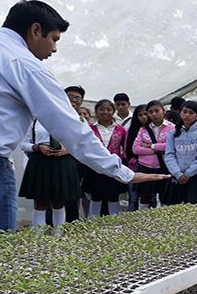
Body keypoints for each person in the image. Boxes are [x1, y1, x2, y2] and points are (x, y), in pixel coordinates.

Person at [0, 0, 166, 244]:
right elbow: (72, 129)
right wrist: (122, 172)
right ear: (35, 30)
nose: (53, 49)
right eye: (54, 39)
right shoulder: (23, 63)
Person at [19, 118, 81, 229]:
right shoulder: (34, 121)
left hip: (62, 161)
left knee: (59, 201)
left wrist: (68, 149)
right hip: (40, 162)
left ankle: (58, 235)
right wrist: (37, 147)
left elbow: (79, 141)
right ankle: (38, 238)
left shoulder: (70, 118)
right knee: (40, 202)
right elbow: (23, 144)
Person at [82, 99, 128, 217]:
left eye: (109, 109)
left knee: (113, 197)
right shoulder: (90, 129)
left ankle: (114, 224)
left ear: (113, 111)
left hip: (113, 168)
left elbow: (125, 149)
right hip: (95, 168)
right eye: (101, 109)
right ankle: (93, 224)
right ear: (96, 111)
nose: (105, 112)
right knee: (96, 196)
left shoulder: (121, 130)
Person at [163, 101, 197, 205]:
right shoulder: (172, 133)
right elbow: (169, 155)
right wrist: (177, 173)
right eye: (184, 112)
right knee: (174, 209)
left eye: (191, 112)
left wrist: (188, 173)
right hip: (177, 177)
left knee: (195, 209)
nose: (187, 115)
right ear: (180, 113)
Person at [133, 100, 175, 210]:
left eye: (157, 110)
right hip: (145, 167)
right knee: (144, 197)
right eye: (150, 112)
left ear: (163, 111)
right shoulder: (143, 129)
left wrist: (151, 146)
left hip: (165, 166)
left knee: (165, 197)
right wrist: (157, 149)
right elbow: (136, 149)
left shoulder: (172, 128)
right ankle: (142, 221)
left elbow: (171, 146)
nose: (154, 114)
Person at [63, 85, 89, 222]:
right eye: (70, 97)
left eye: (77, 98)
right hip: (55, 161)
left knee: (73, 195)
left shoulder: (82, 120)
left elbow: (85, 141)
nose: (74, 100)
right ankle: (50, 227)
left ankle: (71, 224)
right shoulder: (54, 113)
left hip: (76, 163)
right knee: (54, 196)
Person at [124, 105, 155, 211]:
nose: (143, 117)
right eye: (140, 115)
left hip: (152, 167)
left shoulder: (155, 130)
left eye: (146, 114)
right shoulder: (132, 130)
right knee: (133, 198)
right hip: (134, 168)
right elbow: (132, 150)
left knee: (151, 197)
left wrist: (150, 149)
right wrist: (154, 150)